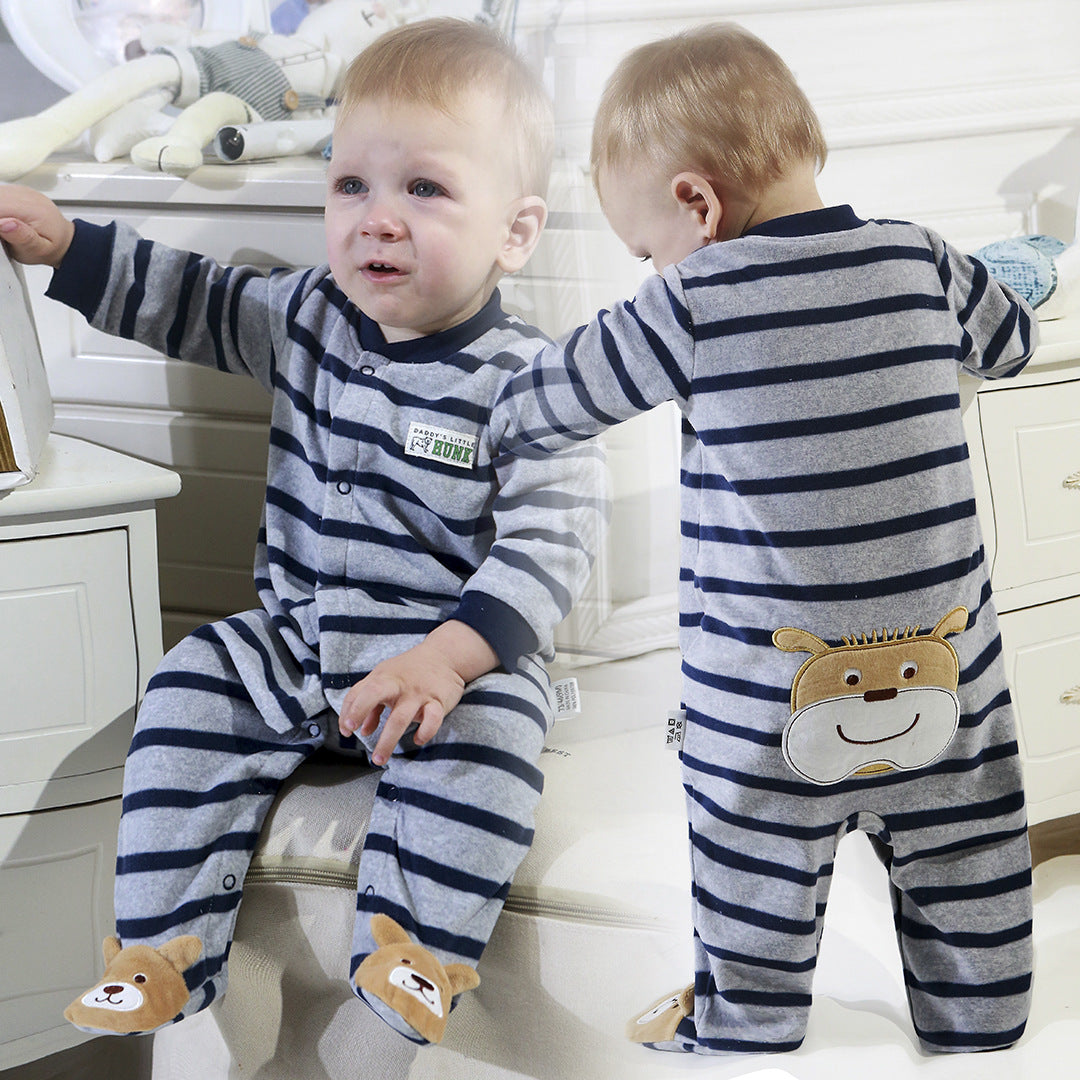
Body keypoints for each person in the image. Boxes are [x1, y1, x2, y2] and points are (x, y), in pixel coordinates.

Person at [0, 17, 604, 1046]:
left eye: (424, 190)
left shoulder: (532, 382)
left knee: (498, 748)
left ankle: (417, 952)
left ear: (515, 230)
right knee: (189, 688)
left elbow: (550, 549)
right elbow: (190, 299)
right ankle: (163, 951)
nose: (377, 220)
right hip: (293, 644)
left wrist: (450, 663)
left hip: (445, 668)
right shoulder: (309, 316)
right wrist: (67, 247)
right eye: (350, 185)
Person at [492, 21, 1036, 1057]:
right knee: (971, 853)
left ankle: (749, 1030)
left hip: (768, 706)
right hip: (954, 686)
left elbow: (549, 401)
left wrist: (476, 402)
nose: (651, 268)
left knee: (753, 869)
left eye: (645, 248)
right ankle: (985, 1024)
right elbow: (1014, 341)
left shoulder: (692, 299)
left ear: (696, 205)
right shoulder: (924, 258)